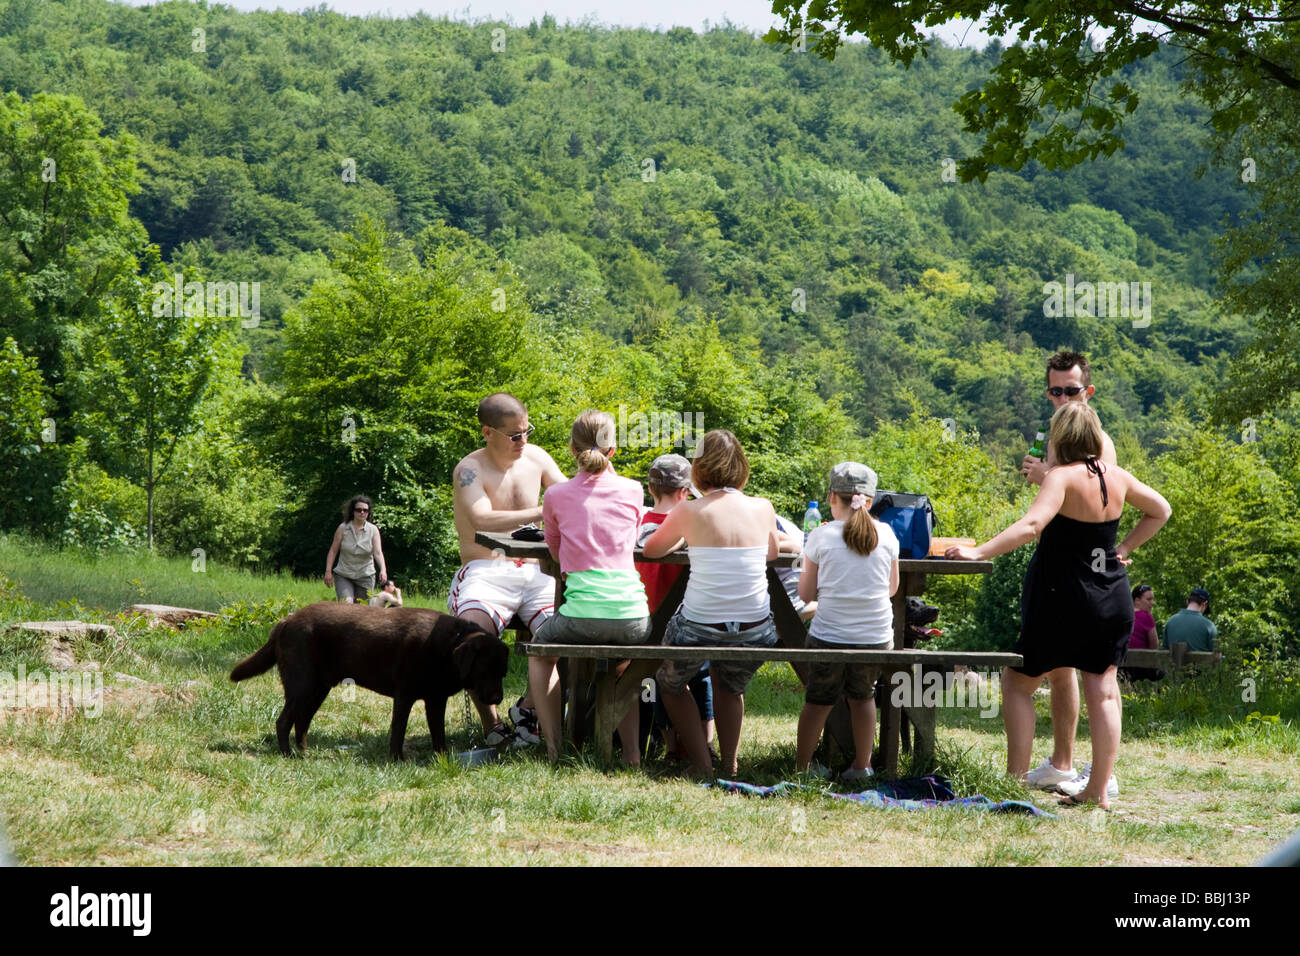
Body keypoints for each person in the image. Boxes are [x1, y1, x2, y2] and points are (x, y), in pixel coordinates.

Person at [947, 403, 1171, 809]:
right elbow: (1161, 510)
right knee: (1102, 691)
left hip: (1061, 597)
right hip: (1111, 597)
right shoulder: (1117, 477)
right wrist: (1123, 547)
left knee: (1018, 682)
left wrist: (978, 552)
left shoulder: (1062, 478)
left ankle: (1013, 782)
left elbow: (1032, 526)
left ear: (1060, 439)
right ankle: (1097, 791)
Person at [643, 429, 780, 779]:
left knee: (669, 684)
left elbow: (652, 550)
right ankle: (730, 765)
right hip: (755, 628)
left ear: (699, 470)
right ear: (742, 468)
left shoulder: (690, 510)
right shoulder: (763, 507)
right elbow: (772, 554)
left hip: (699, 627)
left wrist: (686, 541)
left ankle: (701, 764)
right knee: (729, 686)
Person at [1018, 349, 1119, 793]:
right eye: (1055, 390)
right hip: (1054, 567)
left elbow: (1101, 494)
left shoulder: (1097, 439)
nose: (1062, 398)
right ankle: (1062, 763)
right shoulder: (1053, 435)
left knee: (1094, 678)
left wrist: (1046, 477)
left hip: (1084, 575)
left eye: (1071, 390)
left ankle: (1102, 777)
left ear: (1089, 391)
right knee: (1059, 671)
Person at [527, 410, 652, 763]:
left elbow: (554, 548)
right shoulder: (633, 489)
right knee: (621, 663)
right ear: (612, 450)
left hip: (580, 617)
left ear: (571, 449)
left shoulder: (556, 495)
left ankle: (554, 747)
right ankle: (631, 755)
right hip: (634, 617)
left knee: (541, 652)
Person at [449, 393, 567, 746]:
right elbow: (483, 519)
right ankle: (492, 725)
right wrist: (542, 511)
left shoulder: (537, 457)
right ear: (487, 432)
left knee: (565, 632)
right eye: (514, 435)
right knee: (472, 633)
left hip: (536, 572)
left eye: (526, 431)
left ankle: (530, 712)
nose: (523, 441)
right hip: (486, 567)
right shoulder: (469, 469)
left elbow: (567, 491)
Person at [794, 462, 899, 783]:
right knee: (863, 695)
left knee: (818, 699)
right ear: (870, 501)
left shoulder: (822, 535)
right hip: (877, 637)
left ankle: (803, 767)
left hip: (829, 637)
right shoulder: (887, 534)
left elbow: (806, 592)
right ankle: (861, 766)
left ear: (831, 497)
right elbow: (892, 589)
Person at [635, 453, 716, 761]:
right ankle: (706, 740)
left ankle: (671, 745)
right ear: (686, 491)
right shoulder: (693, 522)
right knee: (702, 673)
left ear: (650, 488)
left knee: (654, 679)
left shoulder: (639, 521)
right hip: (689, 619)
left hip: (648, 619)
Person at [325, 495, 389, 603]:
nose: (362, 512)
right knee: (347, 604)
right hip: (344, 574)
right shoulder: (343, 528)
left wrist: (383, 570)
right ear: (353, 511)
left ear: (368, 512)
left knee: (362, 610)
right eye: (359, 510)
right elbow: (333, 550)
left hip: (365, 576)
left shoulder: (373, 530)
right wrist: (328, 571)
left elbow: (377, 553)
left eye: (365, 510)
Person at [1119, 584, 1164, 682]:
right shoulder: (1146, 617)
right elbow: (1154, 646)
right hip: (1142, 668)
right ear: (1136, 600)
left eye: (1152, 599)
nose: (1152, 603)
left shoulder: (1122, 615)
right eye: (1148, 599)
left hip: (1121, 667)